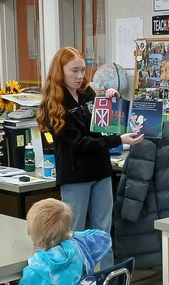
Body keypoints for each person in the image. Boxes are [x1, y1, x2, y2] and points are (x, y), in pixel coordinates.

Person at [38, 46, 143, 268]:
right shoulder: (54, 105)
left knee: (103, 230)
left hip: (101, 171)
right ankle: (75, 281)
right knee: (72, 232)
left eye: (82, 71)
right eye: (73, 71)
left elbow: (103, 126)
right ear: (60, 71)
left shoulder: (88, 94)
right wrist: (119, 141)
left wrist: (112, 100)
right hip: (76, 176)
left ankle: (107, 281)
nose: (79, 76)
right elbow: (79, 143)